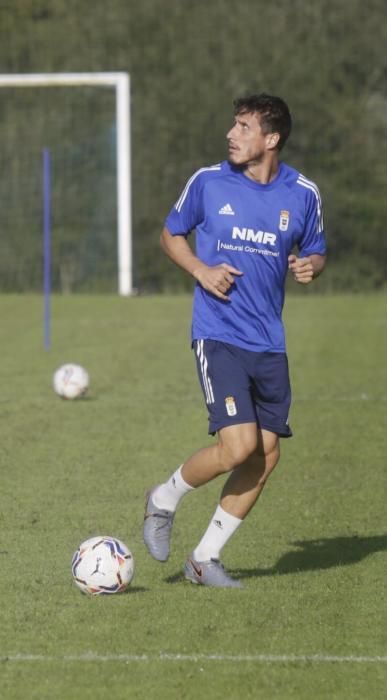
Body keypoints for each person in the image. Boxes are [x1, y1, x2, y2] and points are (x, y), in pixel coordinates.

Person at [143, 93, 327, 588]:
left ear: (271, 139)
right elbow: (170, 234)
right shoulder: (207, 182)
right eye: (233, 124)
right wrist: (201, 270)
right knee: (238, 445)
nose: (232, 134)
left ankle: (205, 558)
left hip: (269, 340)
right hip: (218, 334)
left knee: (266, 455)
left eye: (244, 127)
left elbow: (315, 249)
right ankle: (163, 499)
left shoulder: (302, 193)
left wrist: (312, 266)